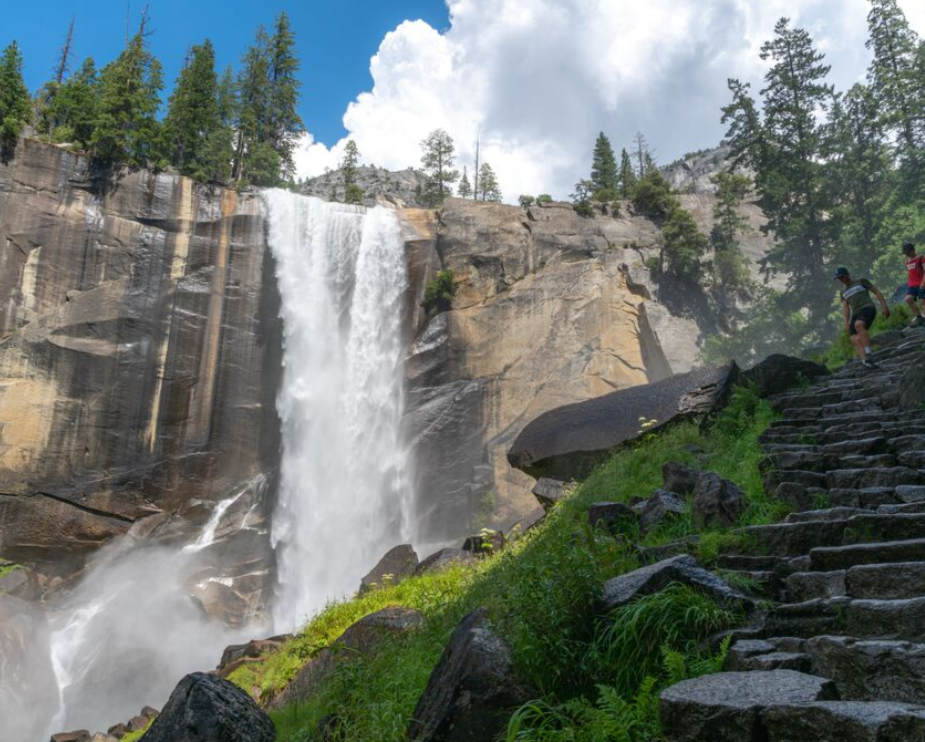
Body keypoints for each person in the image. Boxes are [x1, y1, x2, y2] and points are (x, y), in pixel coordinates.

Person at [834, 267, 891, 369]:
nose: (841, 279)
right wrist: (846, 322)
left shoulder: (861, 281)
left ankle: (869, 353)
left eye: (842, 277)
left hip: (867, 307)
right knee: (853, 338)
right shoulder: (843, 292)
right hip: (855, 313)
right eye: (839, 278)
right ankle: (866, 362)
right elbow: (845, 307)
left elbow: (876, 291)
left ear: (847, 274)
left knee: (858, 325)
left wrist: (884, 306)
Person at [902, 242, 925, 327]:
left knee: (923, 301)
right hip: (912, 285)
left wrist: (923, 285)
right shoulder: (907, 261)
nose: (907, 254)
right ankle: (919, 317)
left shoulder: (921, 258)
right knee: (908, 299)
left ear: (913, 250)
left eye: (908, 251)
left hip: (922, 283)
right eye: (906, 253)